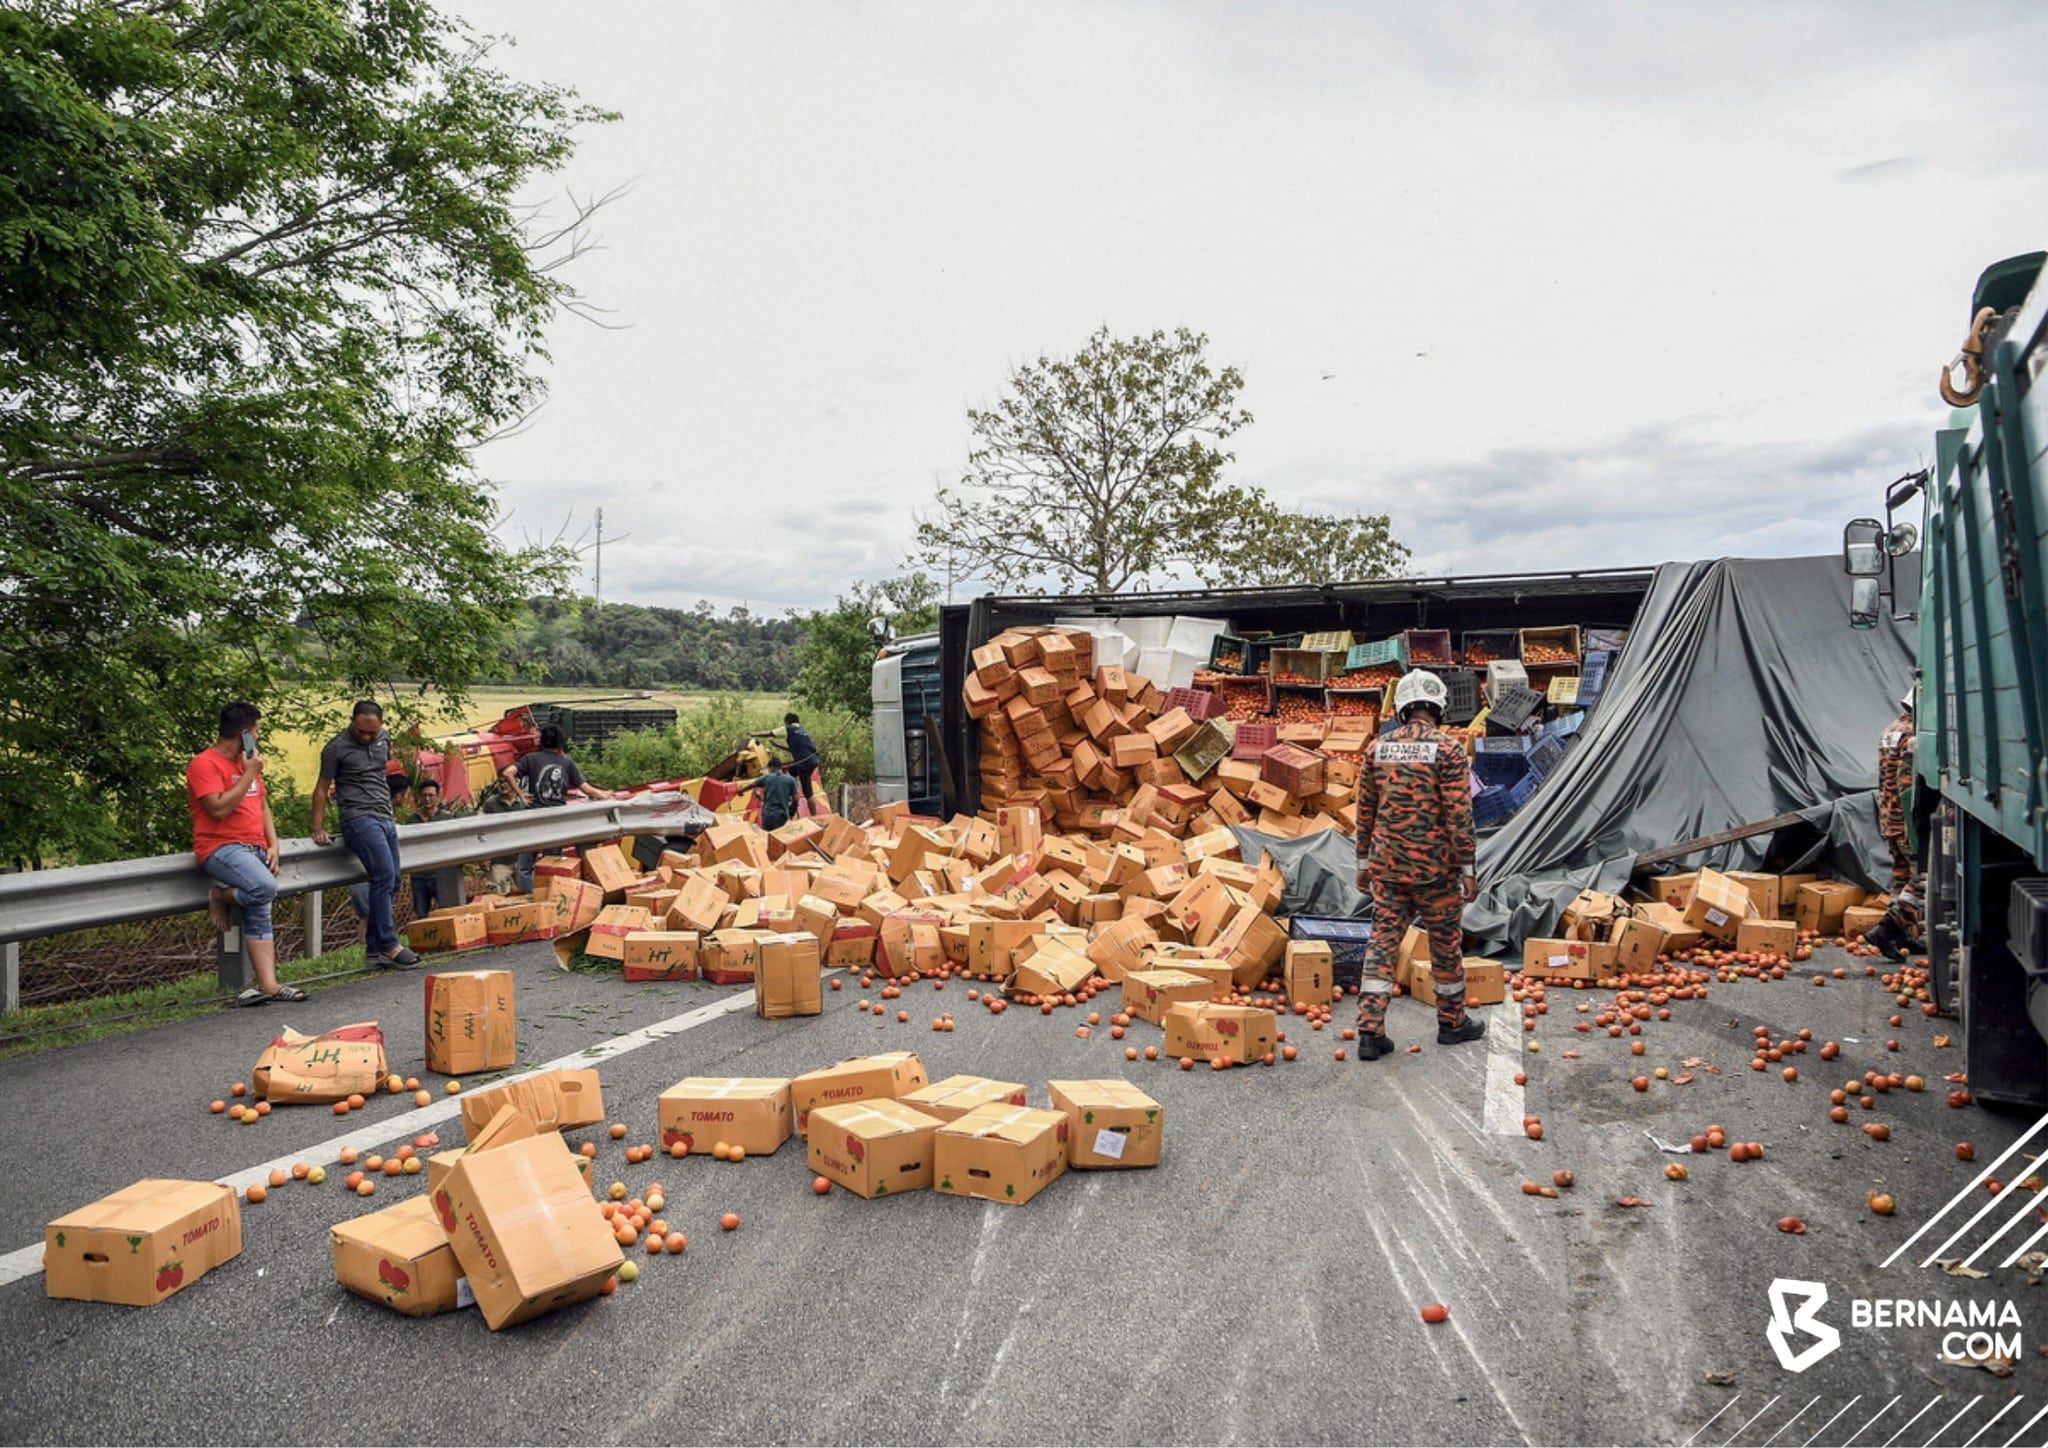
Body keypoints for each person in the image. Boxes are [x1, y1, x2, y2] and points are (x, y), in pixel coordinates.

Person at [1354, 669, 1486, 1058]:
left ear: (1403, 708)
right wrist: (1468, 870)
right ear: (1438, 708)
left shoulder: (1377, 748)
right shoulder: (1447, 750)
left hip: (1388, 869)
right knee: (1445, 946)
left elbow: (1365, 811)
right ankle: (1452, 1023)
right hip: (1436, 872)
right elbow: (1459, 815)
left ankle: (1369, 1031)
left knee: (1382, 943)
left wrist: (1362, 862)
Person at [188, 702, 306, 1007]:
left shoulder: (247, 762)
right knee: (264, 887)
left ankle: (268, 984)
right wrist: (249, 773)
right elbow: (218, 808)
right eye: (255, 731)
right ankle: (220, 895)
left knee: (260, 907)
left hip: (255, 846)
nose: (258, 736)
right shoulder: (205, 764)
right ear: (245, 733)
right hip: (221, 846)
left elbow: (262, 805)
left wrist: (274, 843)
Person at [311, 700, 418, 969]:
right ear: (352, 721)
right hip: (358, 818)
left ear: (381, 725)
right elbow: (322, 789)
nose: (367, 737)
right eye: (361, 732)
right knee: (382, 874)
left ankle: (373, 950)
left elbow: (379, 774)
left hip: (384, 816)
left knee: (392, 880)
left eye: (372, 732)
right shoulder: (335, 749)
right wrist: (318, 827)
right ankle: (388, 944)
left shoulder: (384, 739)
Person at [512, 724, 618, 892]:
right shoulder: (566, 763)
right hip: (557, 821)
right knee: (551, 864)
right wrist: (606, 794)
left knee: (525, 866)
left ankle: (529, 898)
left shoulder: (530, 759)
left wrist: (520, 794)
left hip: (532, 819)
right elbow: (587, 789)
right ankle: (548, 896)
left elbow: (507, 773)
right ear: (561, 743)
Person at [1867, 688, 1920, 962]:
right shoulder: (1913, 736)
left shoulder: (1891, 729)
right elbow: (1907, 782)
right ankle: (1888, 930)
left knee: (1901, 875)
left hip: (1888, 815)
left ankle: (1902, 935)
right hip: (1904, 818)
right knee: (1921, 878)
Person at [405, 777, 462, 917]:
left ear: (438, 797)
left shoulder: (447, 818)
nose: (427, 799)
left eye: (431, 795)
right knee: (421, 914)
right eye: (424, 795)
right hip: (419, 875)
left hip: (441, 875)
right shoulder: (412, 820)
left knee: (449, 912)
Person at [754, 713, 823, 804]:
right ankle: (794, 790)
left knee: (808, 793)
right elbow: (793, 749)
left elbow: (770, 733)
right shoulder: (803, 731)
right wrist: (777, 745)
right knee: (793, 769)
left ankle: (814, 815)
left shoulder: (789, 729)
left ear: (787, 722)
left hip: (805, 762)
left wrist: (754, 734)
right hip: (814, 759)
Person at [478, 764, 526, 894]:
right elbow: (480, 831)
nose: (503, 785)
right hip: (499, 861)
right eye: (501, 782)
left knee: (527, 897)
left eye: (507, 781)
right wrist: (483, 857)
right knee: (498, 897)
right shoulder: (490, 804)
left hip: (523, 861)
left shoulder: (524, 803)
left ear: (516, 782)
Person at [735, 758, 799, 832]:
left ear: (771, 767)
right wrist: (791, 812)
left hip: (767, 815)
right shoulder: (790, 780)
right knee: (780, 839)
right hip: (781, 815)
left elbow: (752, 784)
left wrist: (741, 791)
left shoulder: (766, 777)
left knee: (768, 839)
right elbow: (796, 799)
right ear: (780, 767)